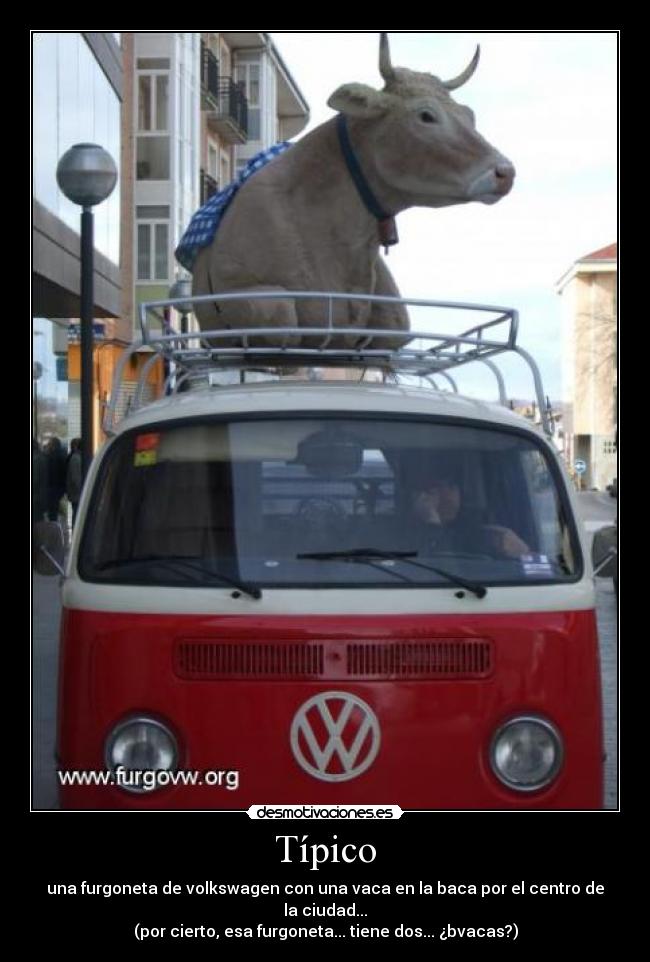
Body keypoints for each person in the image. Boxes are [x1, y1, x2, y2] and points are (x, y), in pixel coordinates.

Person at [411, 468, 529, 559]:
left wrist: (523, 553)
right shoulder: (403, 532)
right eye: (433, 492)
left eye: (452, 487)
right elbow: (433, 567)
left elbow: (540, 570)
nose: (448, 498)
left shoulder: (478, 531)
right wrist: (432, 523)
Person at [44, 436, 68, 523]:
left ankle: (54, 526)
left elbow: (51, 473)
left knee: (53, 511)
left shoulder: (51, 457)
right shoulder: (62, 455)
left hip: (53, 487)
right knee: (56, 509)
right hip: (59, 487)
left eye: (50, 444)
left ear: (53, 445)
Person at [65, 438, 82, 529]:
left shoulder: (75, 458)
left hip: (75, 493)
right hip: (76, 494)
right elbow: (75, 479)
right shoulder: (76, 459)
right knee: (77, 514)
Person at [32, 439, 47, 523]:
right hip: (40, 494)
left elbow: (35, 479)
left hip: (36, 496)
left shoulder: (36, 459)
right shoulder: (41, 457)